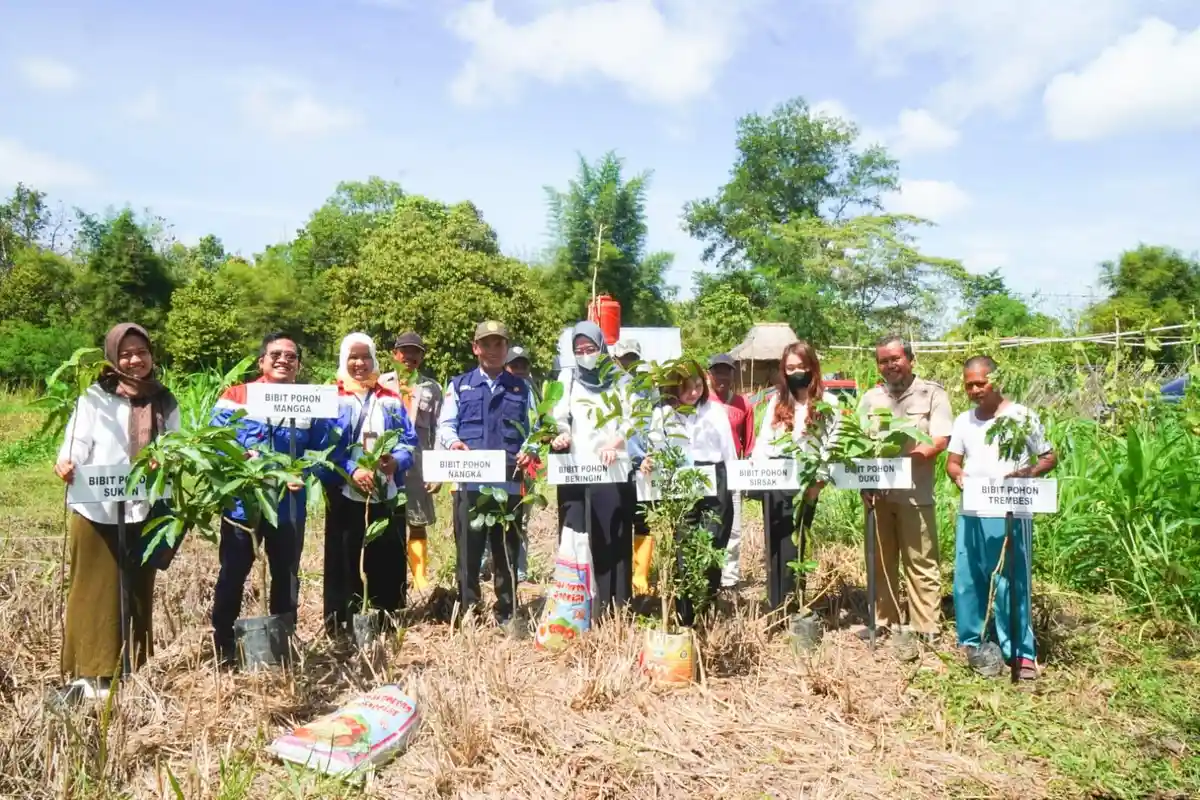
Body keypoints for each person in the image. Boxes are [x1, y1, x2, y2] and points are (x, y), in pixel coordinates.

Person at [52, 323, 181, 704]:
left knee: (137, 591)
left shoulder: (165, 399)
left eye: (141, 351)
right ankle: (92, 674)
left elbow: (176, 447)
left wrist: (165, 463)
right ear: (112, 357)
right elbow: (76, 442)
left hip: (143, 508)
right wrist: (66, 462)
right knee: (93, 591)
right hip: (96, 506)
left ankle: (133, 668)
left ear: (151, 355)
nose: (134, 359)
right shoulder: (95, 397)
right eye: (125, 353)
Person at [209, 332, 338, 664]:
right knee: (233, 573)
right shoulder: (237, 396)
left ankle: (282, 644)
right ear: (262, 361)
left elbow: (324, 451)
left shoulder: (312, 402)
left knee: (286, 575)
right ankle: (224, 645)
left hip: (288, 505)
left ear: (299, 365)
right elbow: (215, 442)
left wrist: (305, 473)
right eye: (276, 354)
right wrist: (243, 458)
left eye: (291, 356)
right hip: (243, 503)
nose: (284, 360)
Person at [946, 355, 1057, 681]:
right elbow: (952, 462)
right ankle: (972, 642)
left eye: (981, 382)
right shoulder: (964, 421)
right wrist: (958, 476)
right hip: (973, 510)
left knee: (1013, 580)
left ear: (997, 380)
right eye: (969, 385)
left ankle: (1020, 653)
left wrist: (1027, 472)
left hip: (1011, 511)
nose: (975, 389)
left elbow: (1049, 457)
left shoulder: (1022, 417)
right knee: (970, 579)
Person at [436, 321, 536, 626]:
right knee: (468, 551)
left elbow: (535, 429)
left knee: (506, 552)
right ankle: (469, 610)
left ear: (506, 349)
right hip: (469, 484)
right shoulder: (459, 385)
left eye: (499, 344)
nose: (493, 350)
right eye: (487, 344)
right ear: (475, 348)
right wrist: (453, 445)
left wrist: (530, 448)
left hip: (509, 483)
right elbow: (446, 426)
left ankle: (507, 611)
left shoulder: (522, 388)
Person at [858, 334, 953, 641]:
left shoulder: (932, 394)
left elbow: (940, 440)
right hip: (878, 495)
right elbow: (858, 444)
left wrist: (901, 467)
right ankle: (882, 620)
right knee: (880, 558)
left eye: (895, 359)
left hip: (915, 493)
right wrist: (865, 482)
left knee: (921, 559)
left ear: (910, 360)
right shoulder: (871, 399)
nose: (890, 366)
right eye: (883, 361)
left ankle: (925, 626)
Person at [324, 333, 418, 638]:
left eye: (365, 356)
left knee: (386, 554)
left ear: (375, 359)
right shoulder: (330, 396)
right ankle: (343, 622)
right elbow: (321, 445)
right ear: (343, 359)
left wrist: (397, 461)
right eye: (353, 356)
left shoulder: (389, 398)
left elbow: (408, 441)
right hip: (345, 492)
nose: (359, 363)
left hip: (385, 492)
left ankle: (385, 619)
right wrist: (350, 470)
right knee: (345, 554)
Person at [637, 362, 738, 625]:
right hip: (681, 482)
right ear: (673, 387)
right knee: (683, 548)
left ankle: (707, 609)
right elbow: (655, 449)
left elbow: (728, 450)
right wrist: (649, 461)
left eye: (697, 386)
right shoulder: (662, 414)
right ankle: (686, 614)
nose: (694, 393)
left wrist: (735, 482)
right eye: (686, 388)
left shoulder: (714, 410)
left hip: (714, 479)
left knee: (712, 545)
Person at [550, 321, 635, 618]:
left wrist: (616, 441)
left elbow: (631, 419)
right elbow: (560, 417)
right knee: (576, 537)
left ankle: (614, 609)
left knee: (612, 536)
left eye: (591, 349)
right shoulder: (568, 378)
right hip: (575, 471)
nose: (585, 354)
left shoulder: (620, 379)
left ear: (602, 348)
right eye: (579, 350)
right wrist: (562, 434)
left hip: (611, 470)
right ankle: (577, 608)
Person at [751, 342, 838, 611]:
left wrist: (819, 481)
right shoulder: (777, 401)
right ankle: (775, 602)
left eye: (801, 366)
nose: (796, 371)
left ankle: (795, 602)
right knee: (775, 544)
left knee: (797, 544)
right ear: (783, 371)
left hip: (806, 482)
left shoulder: (828, 403)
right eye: (790, 368)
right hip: (776, 480)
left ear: (812, 367)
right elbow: (764, 442)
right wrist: (756, 473)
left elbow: (832, 444)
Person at [379, 332, 442, 591]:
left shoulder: (432, 388)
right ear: (395, 354)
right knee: (387, 522)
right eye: (404, 351)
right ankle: (389, 578)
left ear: (422, 357)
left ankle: (419, 579)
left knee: (417, 522)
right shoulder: (381, 383)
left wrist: (438, 471)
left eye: (415, 351)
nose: (409, 356)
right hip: (386, 463)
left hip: (418, 466)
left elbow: (439, 431)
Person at [708, 352, 756, 589]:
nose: (722, 376)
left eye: (726, 371)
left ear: (733, 374)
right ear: (710, 375)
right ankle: (709, 578)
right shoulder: (702, 402)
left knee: (734, 529)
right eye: (717, 371)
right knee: (710, 527)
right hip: (707, 474)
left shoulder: (743, 404)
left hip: (733, 472)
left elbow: (749, 443)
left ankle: (730, 579)